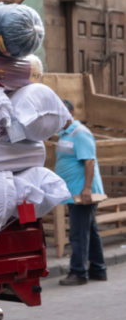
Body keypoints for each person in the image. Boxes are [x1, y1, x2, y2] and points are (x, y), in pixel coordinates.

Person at [55, 99, 107, 286]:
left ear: (68, 113)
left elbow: (89, 161)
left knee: (78, 233)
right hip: (74, 192)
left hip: (82, 193)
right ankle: (98, 270)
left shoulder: (80, 133)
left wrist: (86, 189)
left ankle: (78, 272)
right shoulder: (65, 133)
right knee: (90, 232)